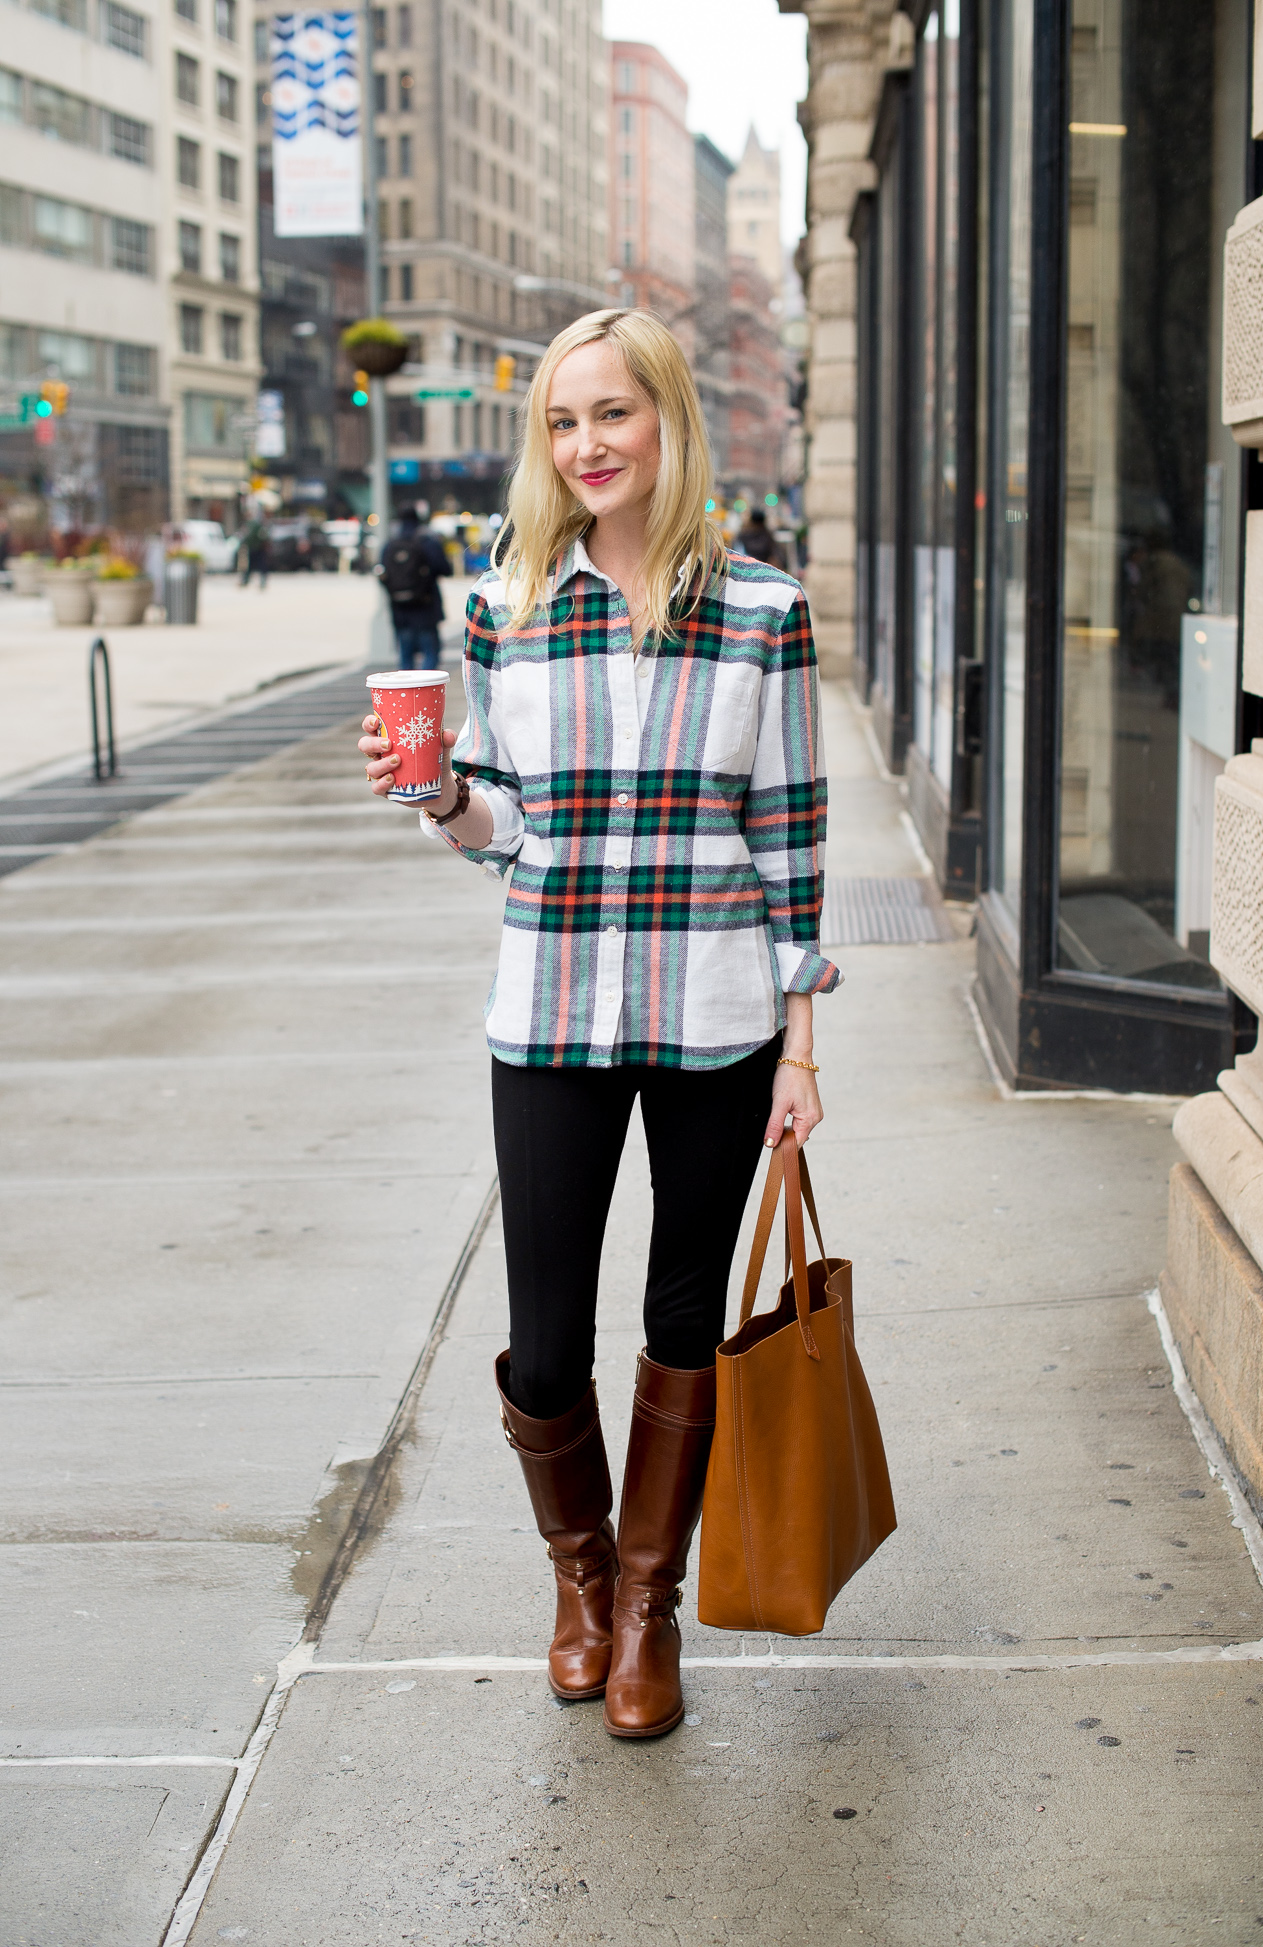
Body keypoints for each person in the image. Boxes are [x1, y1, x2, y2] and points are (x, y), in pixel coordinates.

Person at [359, 309, 839, 1740]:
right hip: (552, 1008)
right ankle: (577, 1571)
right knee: (548, 1339)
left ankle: (645, 1607)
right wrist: (438, 791)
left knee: (684, 1315)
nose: (588, 446)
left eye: (614, 415)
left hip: (718, 1013)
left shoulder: (763, 609)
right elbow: (504, 828)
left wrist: (803, 1045)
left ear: (668, 423)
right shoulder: (505, 606)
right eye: (564, 423)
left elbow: (791, 832)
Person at [377, 506, 453, 670]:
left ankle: (408, 694)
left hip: (401, 611)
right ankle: (425, 694)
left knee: (405, 658)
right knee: (431, 654)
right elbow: (446, 569)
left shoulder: (390, 545)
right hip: (426, 608)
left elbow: (382, 575)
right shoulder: (427, 542)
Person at [240, 515, 270, 589]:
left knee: (255, 565)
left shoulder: (253, 525)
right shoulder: (255, 525)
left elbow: (247, 536)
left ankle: (247, 580)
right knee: (257, 565)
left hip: (256, 548)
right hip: (256, 548)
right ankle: (247, 580)